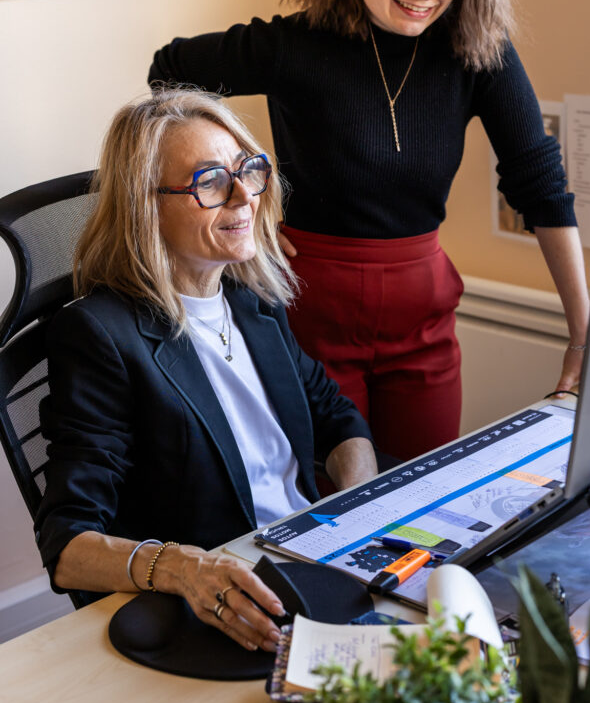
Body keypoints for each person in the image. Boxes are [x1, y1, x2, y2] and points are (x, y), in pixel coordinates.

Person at [148, 0, 590, 462]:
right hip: (313, 309)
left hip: (423, 314)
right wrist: (250, 187)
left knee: (426, 491)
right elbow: (169, 72)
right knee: (332, 497)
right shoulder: (294, 46)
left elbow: (540, 182)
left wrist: (583, 334)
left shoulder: (476, 50)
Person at [33, 89, 376, 653]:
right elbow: (67, 544)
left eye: (247, 170)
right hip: (228, 605)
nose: (244, 196)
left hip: (312, 565)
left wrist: (357, 509)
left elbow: (336, 417)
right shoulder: (99, 335)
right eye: (211, 181)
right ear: (146, 205)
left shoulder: (252, 300)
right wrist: (184, 568)